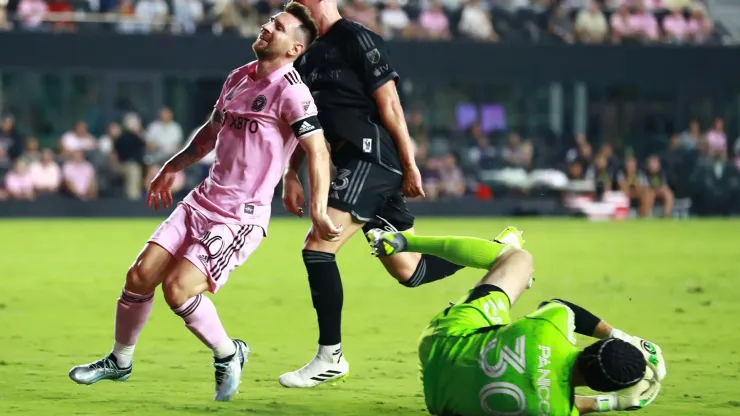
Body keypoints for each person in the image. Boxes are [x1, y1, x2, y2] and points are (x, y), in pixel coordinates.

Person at [68, 3, 340, 402]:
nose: (266, 27)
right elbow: (210, 133)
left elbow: (317, 150)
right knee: (139, 276)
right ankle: (120, 362)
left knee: (178, 290)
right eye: (269, 21)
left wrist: (317, 208)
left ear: (293, 49)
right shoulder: (237, 77)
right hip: (201, 202)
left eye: (277, 27)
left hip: (238, 219)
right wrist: (171, 167)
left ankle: (229, 353)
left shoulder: (292, 92)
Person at [278, 0, 481, 387]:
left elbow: (390, 103)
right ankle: (495, 252)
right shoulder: (304, 54)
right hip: (354, 165)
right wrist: (291, 173)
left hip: (371, 159)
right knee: (410, 270)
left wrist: (410, 163)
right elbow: (304, 122)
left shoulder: (357, 38)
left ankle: (330, 357)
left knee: (318, 247)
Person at [366, 227, 667, 415]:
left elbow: (559, 305)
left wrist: (623, 337)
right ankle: (507, 267)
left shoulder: (553, 327)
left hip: (442, 339)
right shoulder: (557, 410)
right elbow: (573, 405)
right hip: (439, 401)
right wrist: (614, 404)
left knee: (519, 260)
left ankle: (407, 241)